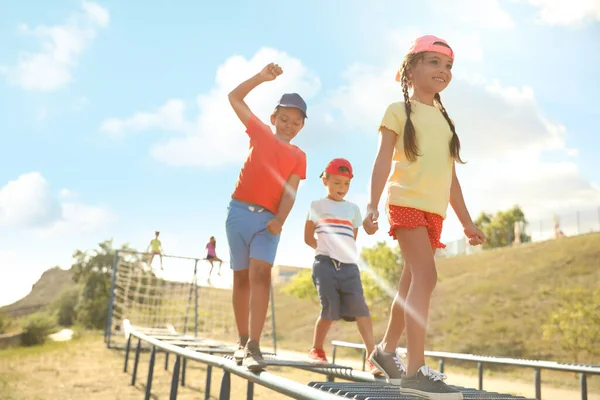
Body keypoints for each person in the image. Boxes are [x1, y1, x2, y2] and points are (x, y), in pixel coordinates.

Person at [363, 35, 486, 399]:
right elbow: (383, 159)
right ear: (410, 68)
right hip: (405, 203)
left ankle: (385, 351)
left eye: (447, 66)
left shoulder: (446, 123)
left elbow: (451, 179)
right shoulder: (398, 111)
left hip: (435, 213)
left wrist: (466, 222)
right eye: (433, 62)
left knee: (410, 282)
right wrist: (371, 204)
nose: (443, 71)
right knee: (426, 277)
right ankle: (415, 371)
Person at [226, 63, 307, 372]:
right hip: (238, 214)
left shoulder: (298, 155)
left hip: (269, 221)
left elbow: (290, 191)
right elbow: (234, 97)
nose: (288, 125)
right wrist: (261, 78)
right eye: (283, 119)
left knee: (261, 275)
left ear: (301, 126)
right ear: (273, 119)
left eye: (295, 122)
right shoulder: (259, 132)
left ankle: (255, 345)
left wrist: (281, 220)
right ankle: (241, 338)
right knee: (241, 277)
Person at [304, 158, 382, 377]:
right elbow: (308, 236)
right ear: (325, 180)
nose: (342, 188)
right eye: (337, 182)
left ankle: (372, 357)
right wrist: (325, 250)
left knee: (362, 310)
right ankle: (317, 349)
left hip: (349, 268)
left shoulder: (353, 209)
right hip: (325, 265)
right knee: (329, 309)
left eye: (346, 184)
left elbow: (352, 237)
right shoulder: (317, 206)